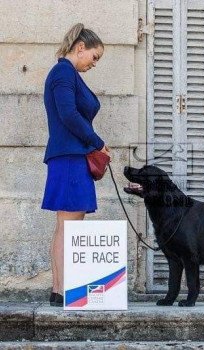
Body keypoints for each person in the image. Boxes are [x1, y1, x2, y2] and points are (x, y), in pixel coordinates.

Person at [41, 23, 110, 306]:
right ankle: (64, 290)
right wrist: (96, 142)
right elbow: (68, 114)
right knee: (69, 226)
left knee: (66, 226)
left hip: (69, 156)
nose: (95, 64)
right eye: (95, 57)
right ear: (80, 47)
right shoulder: (63, 72)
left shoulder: (66, 73)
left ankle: (60, 290)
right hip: (70, 157)